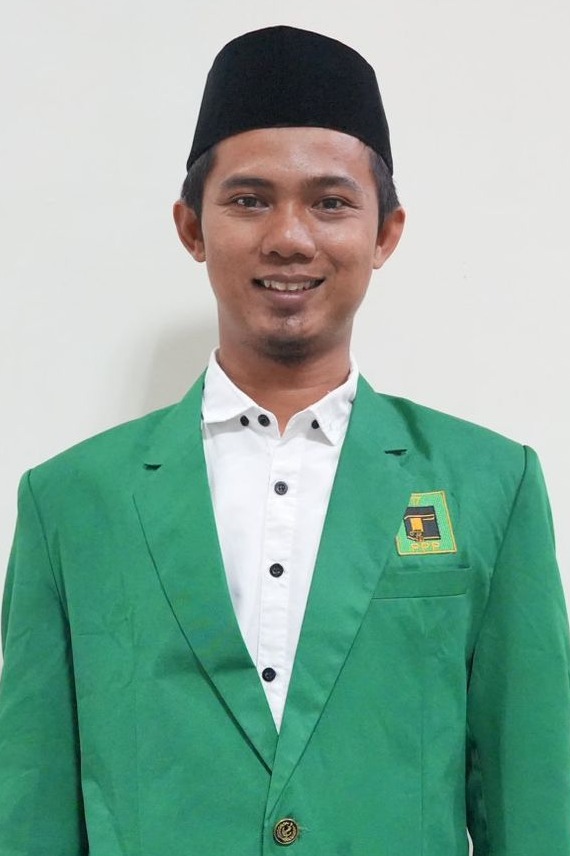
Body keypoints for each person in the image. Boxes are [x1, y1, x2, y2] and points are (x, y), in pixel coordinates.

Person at [0, 24, 569, 856]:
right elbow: (32, 811)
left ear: (386, 233)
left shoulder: (490, 483)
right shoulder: (70, 503)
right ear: (192, 228)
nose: (290, 237)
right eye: (249, 199)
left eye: (331, 202)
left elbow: (538, 804)